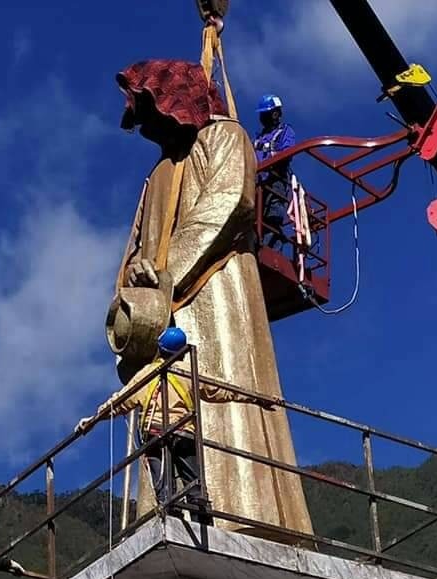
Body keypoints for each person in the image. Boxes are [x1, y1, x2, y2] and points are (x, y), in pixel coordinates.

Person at [107, 59, 313, 541]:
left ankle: (244, 505)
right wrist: (134, 291)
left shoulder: (225, 137)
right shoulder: (156, 177)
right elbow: (134, 249)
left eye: (150, 113)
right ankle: (168, 508)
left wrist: (165, 272)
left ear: (174, 102)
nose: (147, 128)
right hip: (165, 308)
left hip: (218, 289)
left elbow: (229, 202)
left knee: (227, 385)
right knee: (166, 408)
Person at [77, 327, 276, 515]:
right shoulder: (190, 371)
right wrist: (258, 399)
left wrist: (92, 421)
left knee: (164, 488)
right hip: (184, 431)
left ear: (160, 349)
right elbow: (223, 390)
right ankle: (202, 521)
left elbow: (119, 401)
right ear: (182, 351)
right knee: (194, 484)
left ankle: (171, 516)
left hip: (154, 433)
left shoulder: (147, 373)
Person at [254, 94, 296, 248]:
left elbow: (288, 153)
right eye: (262, 114)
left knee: (272, 218)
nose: (263, 117)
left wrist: (273, 156)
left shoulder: (285, 131)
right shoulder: (259, 138)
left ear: (276, 113)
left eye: (266, 113)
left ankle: (270, 248)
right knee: (253, 218)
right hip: (258, 183)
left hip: (275, 181)